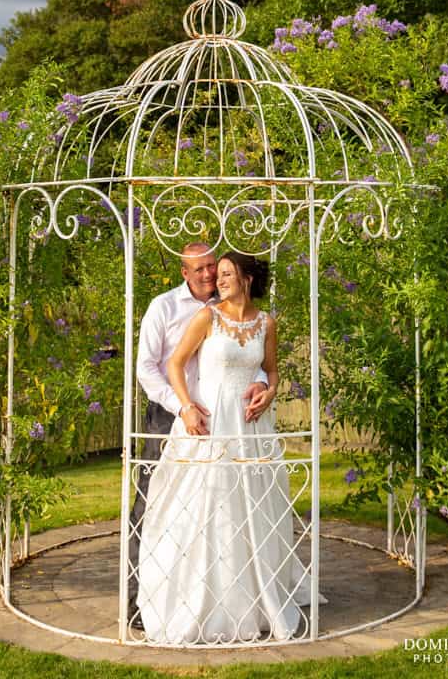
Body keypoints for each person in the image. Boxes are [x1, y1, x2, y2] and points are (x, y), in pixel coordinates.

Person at [136, 252, 312, 644]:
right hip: (210, 425)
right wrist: (186, 408)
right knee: (205, 507)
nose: (219, 279)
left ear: (247, 278)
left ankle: (254, 597)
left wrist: (267, 391)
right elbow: (174, 364)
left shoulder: (267, 323)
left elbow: (272, 369)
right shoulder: (207, 317)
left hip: (249, 429)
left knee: (252, 508)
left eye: (227, 273)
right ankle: (196, 598)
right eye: (219, 274)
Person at [128, 243, 270, 624]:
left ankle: (224, 591)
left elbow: (250, 360)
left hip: (225, 420)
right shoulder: (165, 308)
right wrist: (184, 406)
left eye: (214, 267)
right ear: (184, 272)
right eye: (201, 269)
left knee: (222, 508)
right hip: (170, 412)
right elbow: (148, 369)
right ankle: (140, 601)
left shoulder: (232, 311)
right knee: (156, 502)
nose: (209, 275)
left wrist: (261, 385)